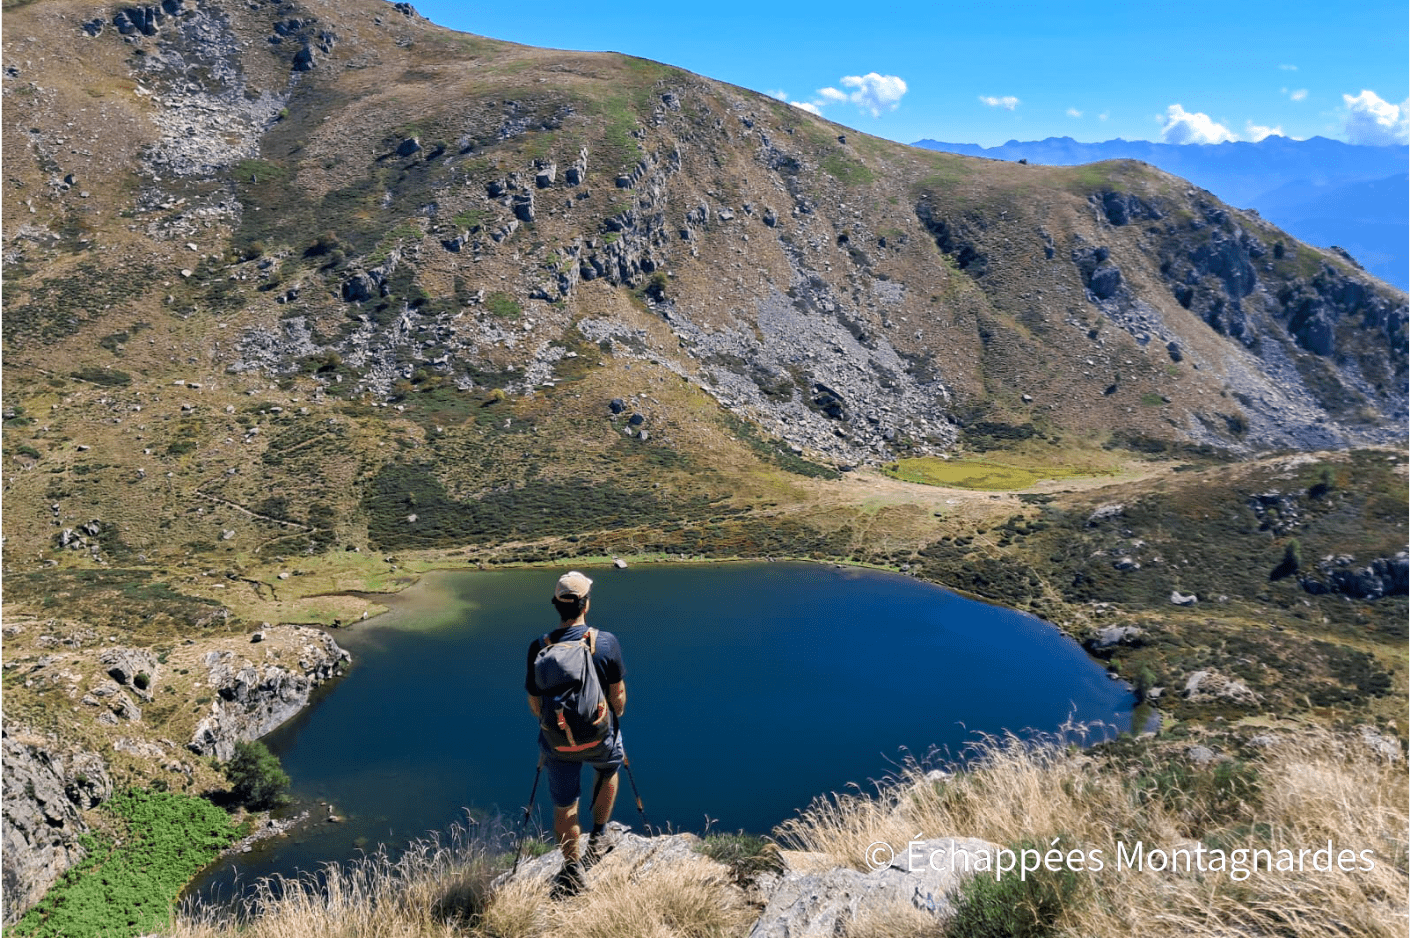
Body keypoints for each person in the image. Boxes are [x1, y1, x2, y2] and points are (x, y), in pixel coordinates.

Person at [524, 571, 628, 896]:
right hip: (599, 736)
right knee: (610, 767)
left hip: (557, 743)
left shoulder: (539, 648)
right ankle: (599, 836)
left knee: (564, 807)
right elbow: (619, 699)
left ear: (556, 605)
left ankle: (571, 869)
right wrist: (610, 717)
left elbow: (535, 705)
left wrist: (558, 727)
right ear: (586, 604)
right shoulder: (605, 642)